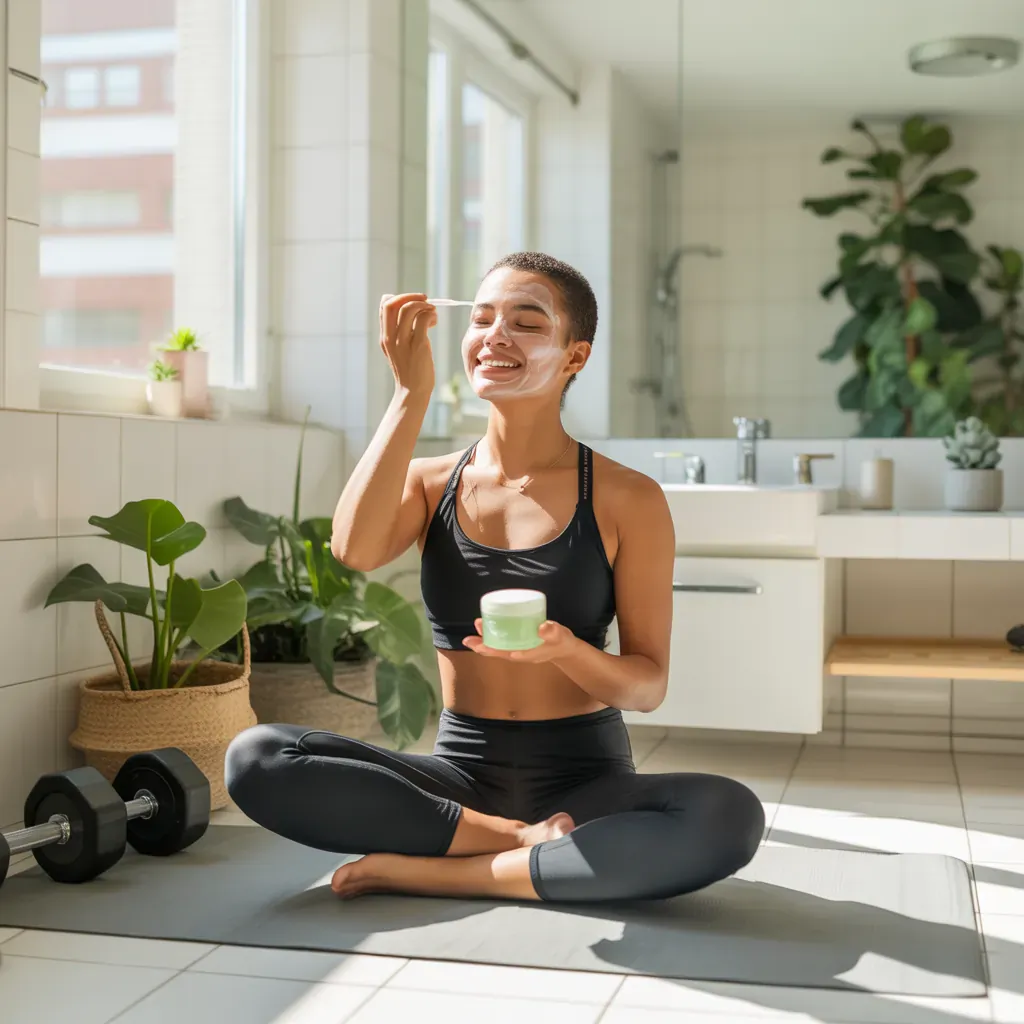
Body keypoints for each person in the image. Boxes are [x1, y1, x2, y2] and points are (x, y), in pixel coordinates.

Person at [225, 251, 764, 903]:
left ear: (575, 356)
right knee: (257, 757)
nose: (495, 336)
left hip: (586, 783)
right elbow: (354, 550)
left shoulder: (628, 497)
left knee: (729, 814)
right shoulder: (431, 482)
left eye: (527, 323)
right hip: (459, 781)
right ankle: (523, 846)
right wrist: (409, 395)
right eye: (481, 319)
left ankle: (437, 870)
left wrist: (564, 649)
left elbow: (647, 687)